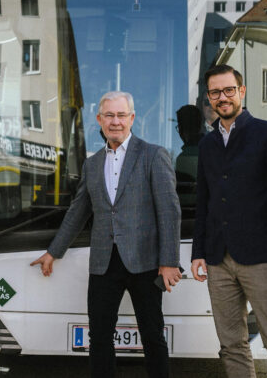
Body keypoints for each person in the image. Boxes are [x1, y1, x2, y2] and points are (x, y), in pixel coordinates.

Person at [31, 91, 182, 378]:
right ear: (99, 120)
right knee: (99, 337)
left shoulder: (153, 155)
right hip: (103, 264)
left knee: (152, 336)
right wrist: (54, 251)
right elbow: (78, 212)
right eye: (109, 116)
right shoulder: (92, 164)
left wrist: (169, 261)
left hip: (146, 263)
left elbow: (169, 211)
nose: (115, 122)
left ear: (132, 118)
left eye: (121, 115)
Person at [190, 65, 267, 378]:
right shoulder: (207, 144)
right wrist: (198, 252)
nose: (222, 97)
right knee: (231, 345)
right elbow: (205, 202)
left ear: (241, 91)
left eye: (228, 90)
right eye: (215, 93)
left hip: (263, 258)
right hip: (218, 258)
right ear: (209, 99)